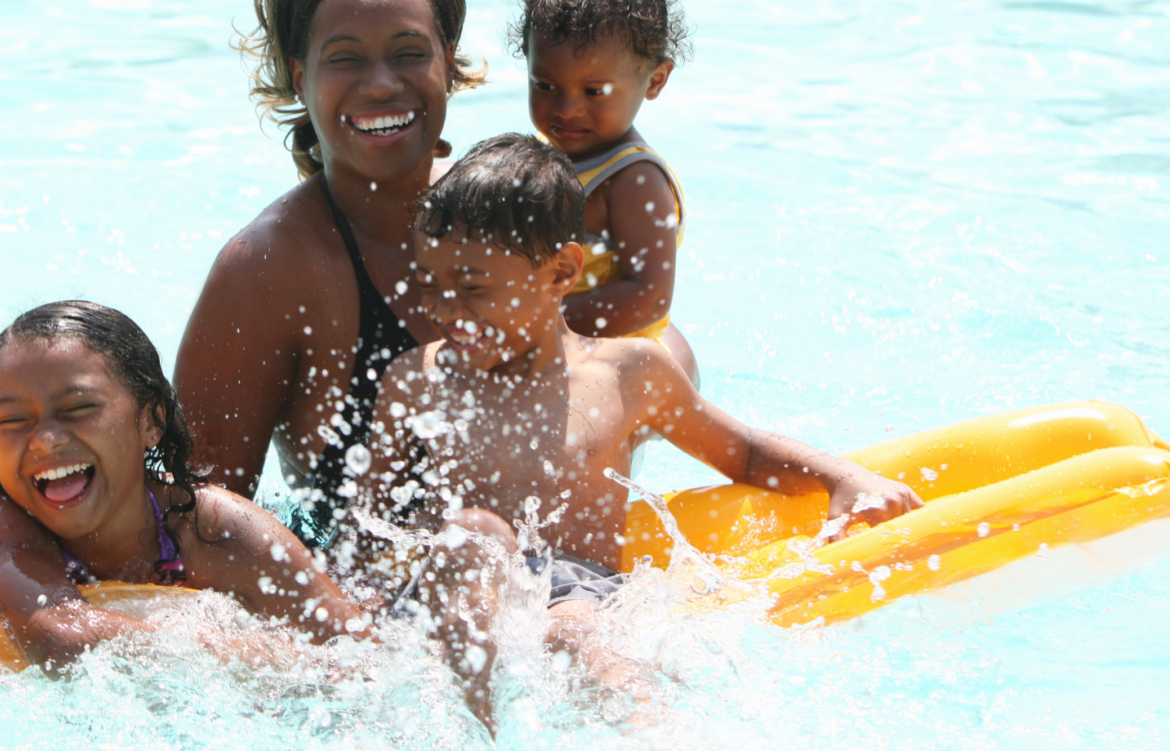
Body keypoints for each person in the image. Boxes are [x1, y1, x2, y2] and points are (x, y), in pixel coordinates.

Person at [0, 42, 367, 670]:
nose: (46, 440)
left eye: (77, 409)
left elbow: (358, 646)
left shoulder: (210, 524)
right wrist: (233, 651)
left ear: (151, 419)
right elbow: (58, 634)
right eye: (13, 421)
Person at [358, 133, 923, 724]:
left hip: (577, 595)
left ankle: (646, 733)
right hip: (451, 598)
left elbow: (745, 452)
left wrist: (842, 476)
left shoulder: (628, 372)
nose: (445, 311)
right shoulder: (415, 379)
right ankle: (475, 728)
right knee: (475, 535)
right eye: (429, 283)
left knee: (583, 640)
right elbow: (369, 530)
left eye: (472, 288)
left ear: (561, 272)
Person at [174, 0, 484, 555]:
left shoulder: (516, 216)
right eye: (345, 59)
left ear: (448, 62)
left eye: (409, 52)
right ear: (298, 75)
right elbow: (198, 517)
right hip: (368, 610)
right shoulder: (268, 268)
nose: (379, 83)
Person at [514, 0, 700, 386]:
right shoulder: (544, 154)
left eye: (594, 91)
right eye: (545, 84)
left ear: (654, 80)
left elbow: (649, 296)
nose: (567, 109)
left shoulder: (633, 181)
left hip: (618, 363)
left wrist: (532, 320)